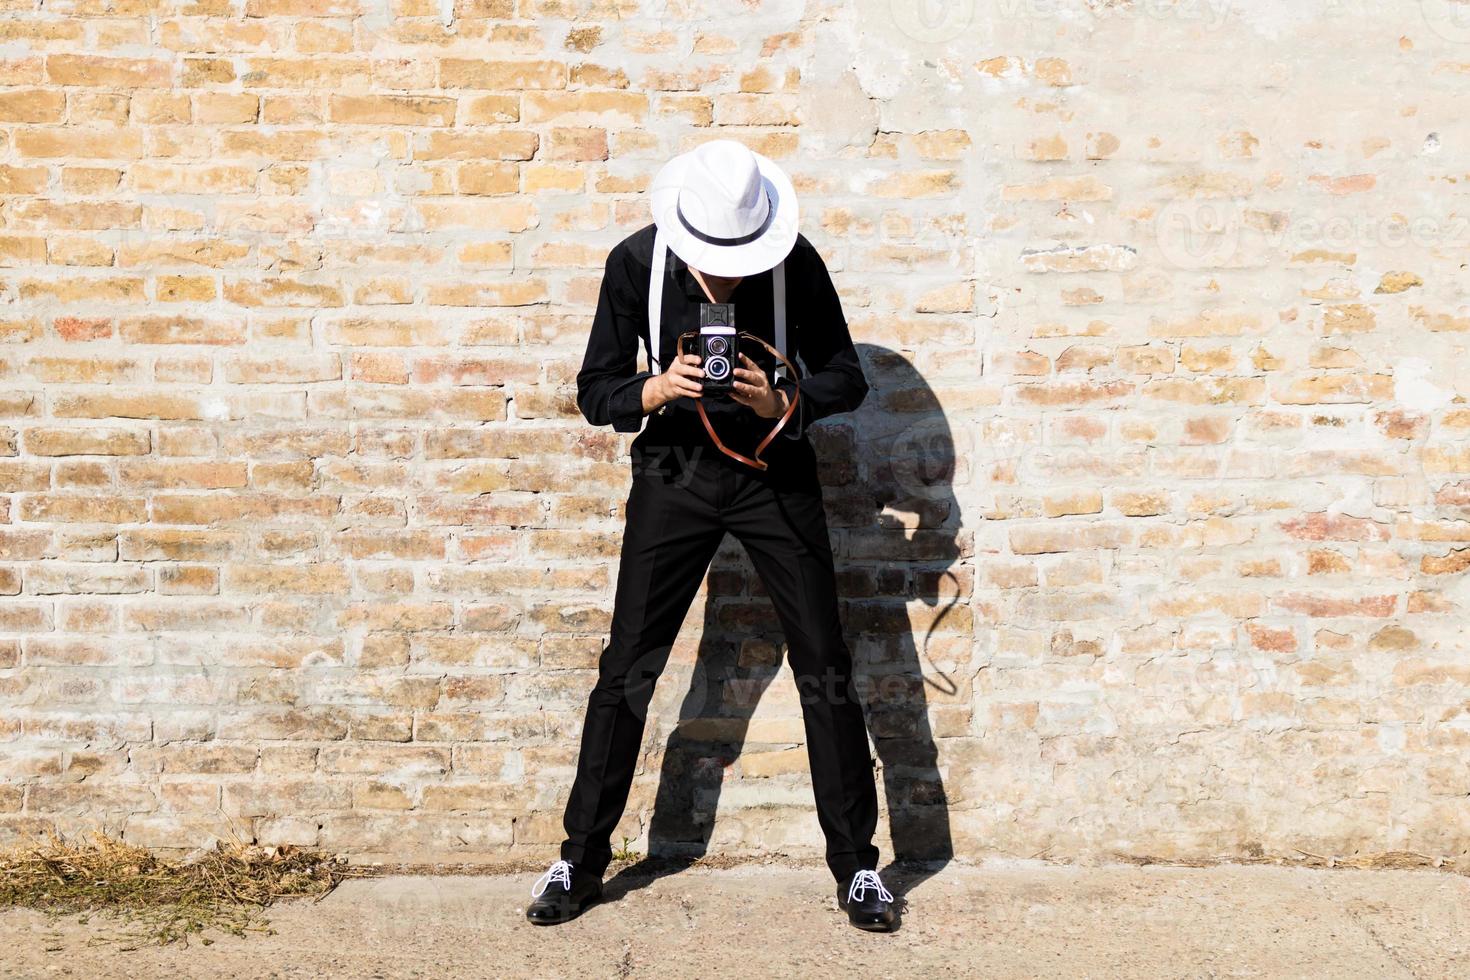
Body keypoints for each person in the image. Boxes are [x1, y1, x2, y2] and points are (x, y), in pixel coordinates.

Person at [525, 140, 897, 932]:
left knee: (825, 663)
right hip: (673, 475)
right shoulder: (635, 262)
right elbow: (595, 390)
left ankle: (858, 868)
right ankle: (580, 860)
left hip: (775, 471)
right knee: (627, 664)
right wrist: (656, 387)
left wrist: (784, 397)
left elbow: (847, 378)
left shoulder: (797, 263)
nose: (727, 269)